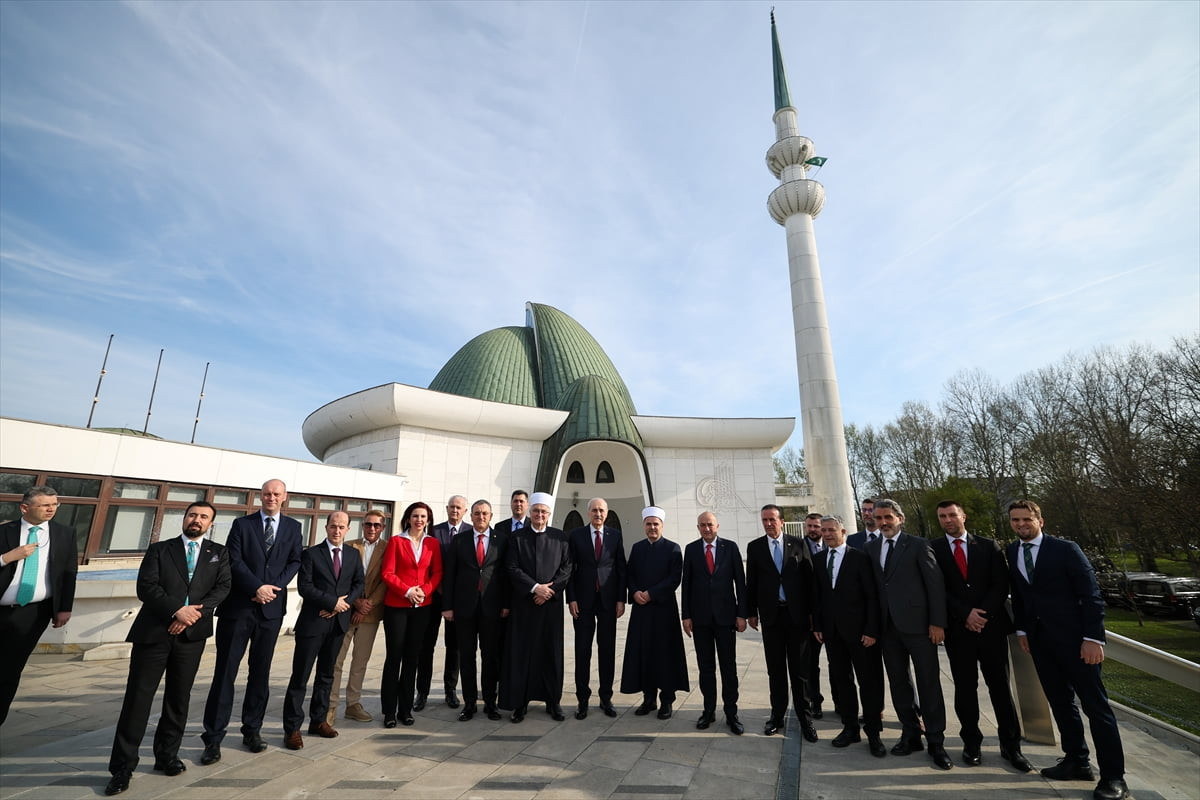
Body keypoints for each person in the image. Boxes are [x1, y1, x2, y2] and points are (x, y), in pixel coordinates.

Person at [104, 502, 231, 796]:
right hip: (154, 633)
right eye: (192, 515)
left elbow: (223, 588)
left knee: (178, 698)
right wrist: (177, 610)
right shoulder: (160, 550)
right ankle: (122, 767)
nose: (196, 520)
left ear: (210, 523)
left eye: (203, 517)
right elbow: (147, 587)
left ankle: (167, 756)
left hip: (192, 636)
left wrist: (192, 615)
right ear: (184, 518)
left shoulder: (219, 553)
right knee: (138, 700)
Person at [1007, 500, 1129, 800]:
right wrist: (1023, 631)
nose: (1021, 524)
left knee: (1096, 708)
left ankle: (1114, 777)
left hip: (1077, 643)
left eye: (1026, 519)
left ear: (1040, 521)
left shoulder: (1066, 549)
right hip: (1040, 642)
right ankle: (1077, 761)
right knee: (1061, 704)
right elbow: (1021, 596)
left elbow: (1091, 595)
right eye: (1015, 520)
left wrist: (1093, 638)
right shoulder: (1012, 551)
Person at [201, 479, 302, 764]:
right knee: (225, 673)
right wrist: (256, 587)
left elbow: (295, 561)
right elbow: (234, 560)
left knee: (260, 673)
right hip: (239, 609)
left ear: (284, 497)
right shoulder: (242, 525)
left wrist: (272, 589)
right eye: (267, 493)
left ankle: (252, 730)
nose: (271, 497)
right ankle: (213, 738)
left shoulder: (294, 527)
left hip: (271, 611)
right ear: (261, 496)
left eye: (276, 494)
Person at [931, 500, 1029, 771]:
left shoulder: (988, 546)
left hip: (991, 629)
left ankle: (1011, 746)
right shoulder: (934, 549)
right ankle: (971, 743)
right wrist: (965, 614)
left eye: (952, 515)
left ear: (963, 516)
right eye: (942, 516)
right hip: (958, 631)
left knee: (1000, 688)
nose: (948, 520)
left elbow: (1000, 584)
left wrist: (981, 615)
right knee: (965, 689)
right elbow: (937, 588)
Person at [865, 498, 952, 770]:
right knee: (899, 683)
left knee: (928, 683)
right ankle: (911, 733)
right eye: (879, 518)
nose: (883, 523)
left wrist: (937, 623)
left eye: (888, 517)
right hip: (888, 629)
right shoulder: (871, 548)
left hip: (920, 627)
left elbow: (935, 585)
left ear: (900, 519)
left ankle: (936, 741)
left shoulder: (918, 545)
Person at [282, 511, 364, 750]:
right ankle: (292, 728)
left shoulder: (352, 554)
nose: (337, 531)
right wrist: (331, 603)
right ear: (326, 527)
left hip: (338, 624)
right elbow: (305, 586)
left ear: (348, 529)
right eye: (333, 526)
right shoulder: (311, 554)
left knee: (327, 675)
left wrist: (343, 605)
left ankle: (318, 720)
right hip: (313, 623)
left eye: (341, 527)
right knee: (300, 676)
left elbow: (359, 583)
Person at [0, 486, 77, 726]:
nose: (51, 509)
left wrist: (64, 607)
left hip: (33, 613)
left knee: (10, 670)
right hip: (1, 607)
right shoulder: (4, 531)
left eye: (55, 504)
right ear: (25, 508)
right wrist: (7, 558)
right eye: (45, 505)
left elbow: (69, 572)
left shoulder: (65, 533)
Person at [811, 515, 886, 758]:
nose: (827, 534)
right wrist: (818, 626)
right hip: (832, 634)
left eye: (831, 530)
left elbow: (872, 596)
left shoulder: (860, 558)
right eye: (824, 530)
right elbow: (819, 597)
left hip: (861, 634)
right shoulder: (819, 559)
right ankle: (850, 728)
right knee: (842, 681)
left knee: (868, 682)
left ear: (843, 532)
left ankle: (873, 733)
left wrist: (871, 630)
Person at [745, 504, 817, 740]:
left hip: (796, 617)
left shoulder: (798, 544)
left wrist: (813, 614)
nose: (768, 524)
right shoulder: (755, 547)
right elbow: (751, 582)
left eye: (772, 520)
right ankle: (776, 716)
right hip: (771, 617)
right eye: (764, 520)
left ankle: (805, 719)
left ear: (782, 521)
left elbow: (809, 580)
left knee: (800, 672)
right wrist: (751, 612)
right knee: (775, 670)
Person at [500, 492, 571, 722]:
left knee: (550, 653)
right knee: (522, 653)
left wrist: (549, 591)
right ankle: (520, 703)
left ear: (549, 514)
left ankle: (553, 701)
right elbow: (512, 568)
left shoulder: (560, 538)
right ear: (530, 513)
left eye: (544, 512)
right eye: (536, 511)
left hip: (550, 606)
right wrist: (534, 588)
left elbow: (567, 568)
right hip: (525, 605)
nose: (540, 515)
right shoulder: (517, 538)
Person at [441, 499, 509, 721]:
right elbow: (450, 575)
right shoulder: (459, 540)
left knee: (490, 657)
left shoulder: (501, 540)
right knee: (467, 657)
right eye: (477, 513)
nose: (481, 517)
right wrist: (447, 607)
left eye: (485, 513)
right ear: (470, 516)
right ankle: (469, 703)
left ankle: (490, 702)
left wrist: (506, 604)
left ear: (491, 517)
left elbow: (505, 575)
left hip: (492, 608)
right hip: (464, 609)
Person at [621, 506, 689, 720]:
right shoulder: (637, 548)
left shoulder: (673, 548)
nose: (652, 527)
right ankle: (648, 698)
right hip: (641, 611)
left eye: (655, 524)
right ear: (644, 526)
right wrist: (634, 592)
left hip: (663, 611)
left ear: (662, 526)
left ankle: (666, 700)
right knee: (644, 654)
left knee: (665, 655)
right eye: (648, 524)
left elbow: (674, 578)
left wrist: (651, 594)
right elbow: (629, 574)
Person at [681, 511, 746, 734]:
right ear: (698, 527)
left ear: (717, 525)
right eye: (702, 525)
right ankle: (708, 711)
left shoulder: (731, 548)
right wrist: (686, 616)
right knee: (705, 668)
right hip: (700, 620)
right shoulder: (691, 549)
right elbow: (686, 584)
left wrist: (742, 614)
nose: (706, 528)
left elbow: (740, 582)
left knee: (729, 667)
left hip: (726, 618)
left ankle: (732, 713)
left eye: (710, 524)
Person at [379, 501, 442, 727]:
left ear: (428, 520)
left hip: (422, 608)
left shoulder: (432, 543)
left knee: (412, 658)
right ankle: (389, 711)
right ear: (408, 518)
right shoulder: (396, 541)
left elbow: (437, 573)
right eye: (415, 516)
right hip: (397, 607)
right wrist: (407, 591)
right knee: (394, 658)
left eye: (423, 516)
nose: (419, 520)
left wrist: (424, 591)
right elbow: (387, 573)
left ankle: (405, 710)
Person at [566, 497, 626, 719]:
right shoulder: (576, 535)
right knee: (583, 650)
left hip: (608, 601)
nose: (598, 514)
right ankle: (582, 699)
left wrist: (621, 599)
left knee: (607, 649)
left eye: (601, 510)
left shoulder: (615, 535)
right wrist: (571, 598)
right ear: (588, 512)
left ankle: (606, 697)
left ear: (607, 513)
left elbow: (621, 568)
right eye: (594, 510)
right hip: (583, 602)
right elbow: (570, 569)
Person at [327, 509, 388, 724]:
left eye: (377, 525)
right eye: (368, 524)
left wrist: (367, 605)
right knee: (336, 660)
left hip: (370, 613)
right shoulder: (349, 545)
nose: (372, 528)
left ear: (383, 528)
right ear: (362, 526)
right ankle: (331, 706)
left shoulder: (388, 548)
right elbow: (341, 578)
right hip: (345, 611)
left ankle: (353, 704)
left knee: (360, 662)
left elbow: (386, 580)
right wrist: (355, 603)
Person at [416, 495, 466, 712]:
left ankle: (450, 690)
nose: (455, 510)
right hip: (433, 596)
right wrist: (436, 587)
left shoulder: (470, 532)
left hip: (457, 599)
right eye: (452, 507)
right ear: (446, 509)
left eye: (459, 507)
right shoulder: (434, 531)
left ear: (465, 511)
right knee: (426, 645)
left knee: (454, 647)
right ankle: (422, 692)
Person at [800, 511, 826, 719]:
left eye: (816, 526)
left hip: (834, 616)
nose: (812, 530)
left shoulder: (833, 546)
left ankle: (842, 702)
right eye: (809, 526)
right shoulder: (798, 548)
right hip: (809, 616)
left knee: (839, 663)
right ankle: (813, 700)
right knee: (810, 663)